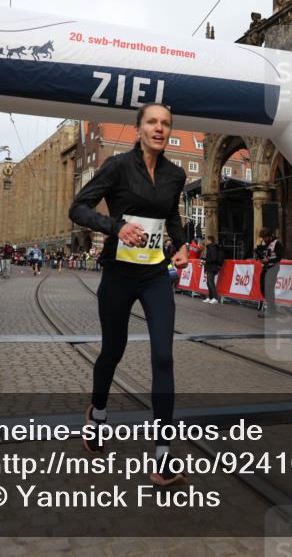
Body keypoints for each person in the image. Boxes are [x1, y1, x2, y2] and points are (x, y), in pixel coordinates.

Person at [69, 102, 189, 486]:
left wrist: (182, 244)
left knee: (163, 356)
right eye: (152, 122)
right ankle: (98, 413)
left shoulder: (175, 174)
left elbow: (171, 214)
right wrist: (114, 226)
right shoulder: (118, 167)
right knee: (113, 351)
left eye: (166, 123)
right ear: (139, 129)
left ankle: (163, 456)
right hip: (120, 274)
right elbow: (78, 207)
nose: (159, 128)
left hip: (155, 274)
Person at [254, 227, 283, 317]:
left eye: (265, 237)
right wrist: (259, 257)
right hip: (265, 267)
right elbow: (261, 254)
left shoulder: (277, 243)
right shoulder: (263, 243)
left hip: (273, 267)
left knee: (269, 288)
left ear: (270, 236)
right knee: (262, 288)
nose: (264, 240)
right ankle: (271, 308)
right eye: (263, 238)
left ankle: (271, 311)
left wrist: (268, 261)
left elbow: (279, 257)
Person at [201, 235, 224, 305]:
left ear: (210, 240)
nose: (205, 241)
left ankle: (215, 298)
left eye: (206, 240)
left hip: (212, 267)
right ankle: (210, 297)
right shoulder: (209, 248)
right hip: (209, 267)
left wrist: (206, 261)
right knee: (208, 282)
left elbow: (213, 258)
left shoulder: (213, 248)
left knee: (211, 282)